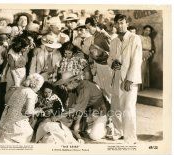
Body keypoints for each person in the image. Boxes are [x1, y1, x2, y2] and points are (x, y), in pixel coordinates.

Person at [107, 14, 142, 143]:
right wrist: (112, 63)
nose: (120, 25)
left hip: (129, 79)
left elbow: (137, 60)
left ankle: (130, 137)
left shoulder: (135, 38)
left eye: (122, 23)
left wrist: (130, 79)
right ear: (115, 25)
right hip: (116, 77)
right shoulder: (114, 41)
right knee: (115, 107)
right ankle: (118, 133)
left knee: (128, 108)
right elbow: (110, 58)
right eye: (117, 23)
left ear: (127, 23)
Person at [55, 71, 109, 141]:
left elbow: (78, 107)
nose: (65, 87)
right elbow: (77, 108)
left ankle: (108, 127)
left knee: (94, 136)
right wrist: (75, 125)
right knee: (81, 131)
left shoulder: (85, 87)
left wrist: (59, 116)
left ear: (72, 82)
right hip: (89, 114)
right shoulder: (74, 89)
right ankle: (89, 126)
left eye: (65, 85)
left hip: (100, 112)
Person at [0, 73, 45, 143]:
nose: (40, 88)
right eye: (40, 86)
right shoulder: (31, 93)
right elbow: (29, 112)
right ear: (37, 85)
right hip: (16, 123)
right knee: (28, 133)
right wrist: (38, 110)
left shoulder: (20, 89)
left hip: (6, 119)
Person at [140, 25, 156, 90]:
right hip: (140, 53)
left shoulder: (149, 38)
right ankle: (138, 87)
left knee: (145, 70)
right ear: (143, 30)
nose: (148, 32)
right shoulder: (139, 37)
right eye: (146, 30)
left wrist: (151, 51)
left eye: (149, 31)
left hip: (147, 54)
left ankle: (143, 86)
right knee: (140, 70)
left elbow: (151, 47)